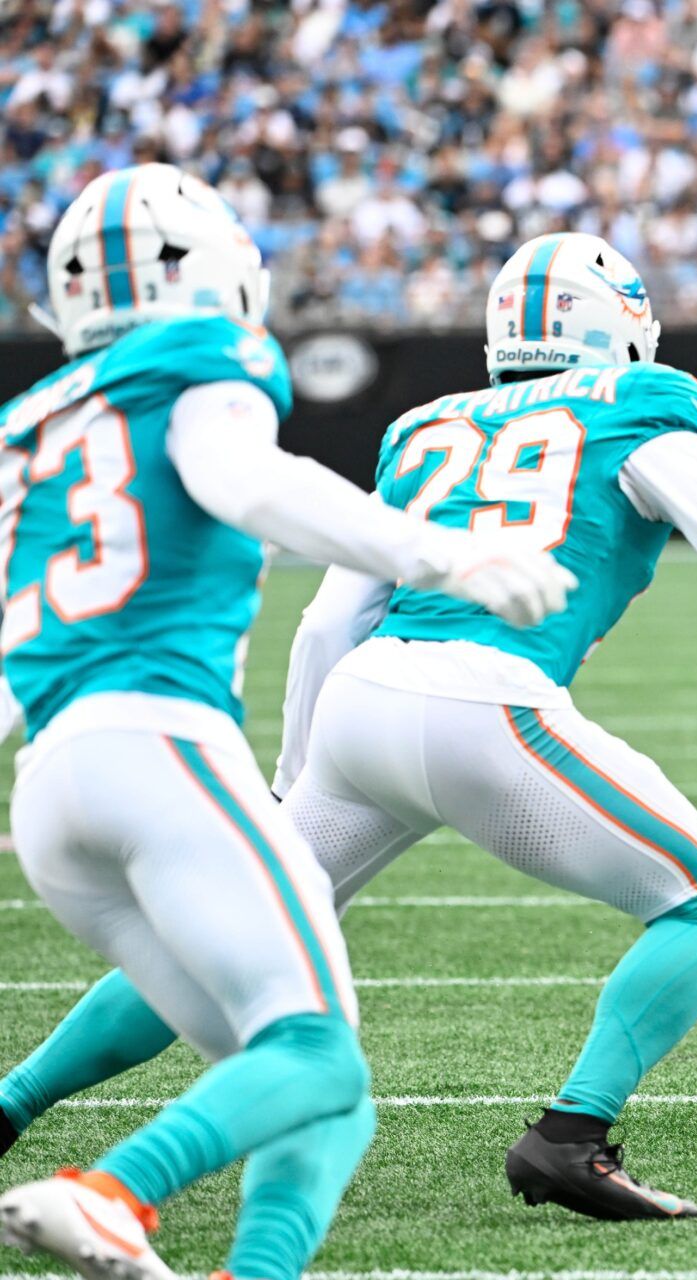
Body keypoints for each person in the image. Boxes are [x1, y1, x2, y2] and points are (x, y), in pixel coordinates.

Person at [0, 232, 697, 1221]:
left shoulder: (429, 427)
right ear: (617, 326)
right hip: (485, 706)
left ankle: (11, 1104)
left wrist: (291, 777)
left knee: (216, 940)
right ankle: (572, 1134)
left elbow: (328, 623)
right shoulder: (640, 404)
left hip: (360, 704)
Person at [0, 165, 575, 1280]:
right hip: (158, 750)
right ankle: (110, 1192)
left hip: (53, 790)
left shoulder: (31, 421)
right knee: (314, 1051)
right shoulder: (202, 355)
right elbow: (246, 480)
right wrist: (441, 552)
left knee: (317, 1088)